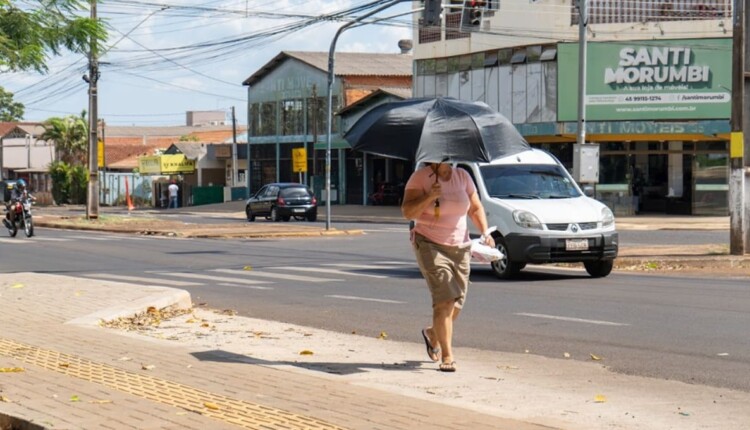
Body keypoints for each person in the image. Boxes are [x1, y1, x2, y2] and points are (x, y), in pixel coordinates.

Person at [401, 161, 494, 372]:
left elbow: (475, 207)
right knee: (444, 301)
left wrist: (486, 233)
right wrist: (429, 196)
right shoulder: (420, 177)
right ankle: (447, 355)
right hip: (429, 242)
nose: (446, 159)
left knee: (457, 303)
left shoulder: (462, 176)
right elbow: (407, 212)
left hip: (460, 246)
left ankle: (433, 333)